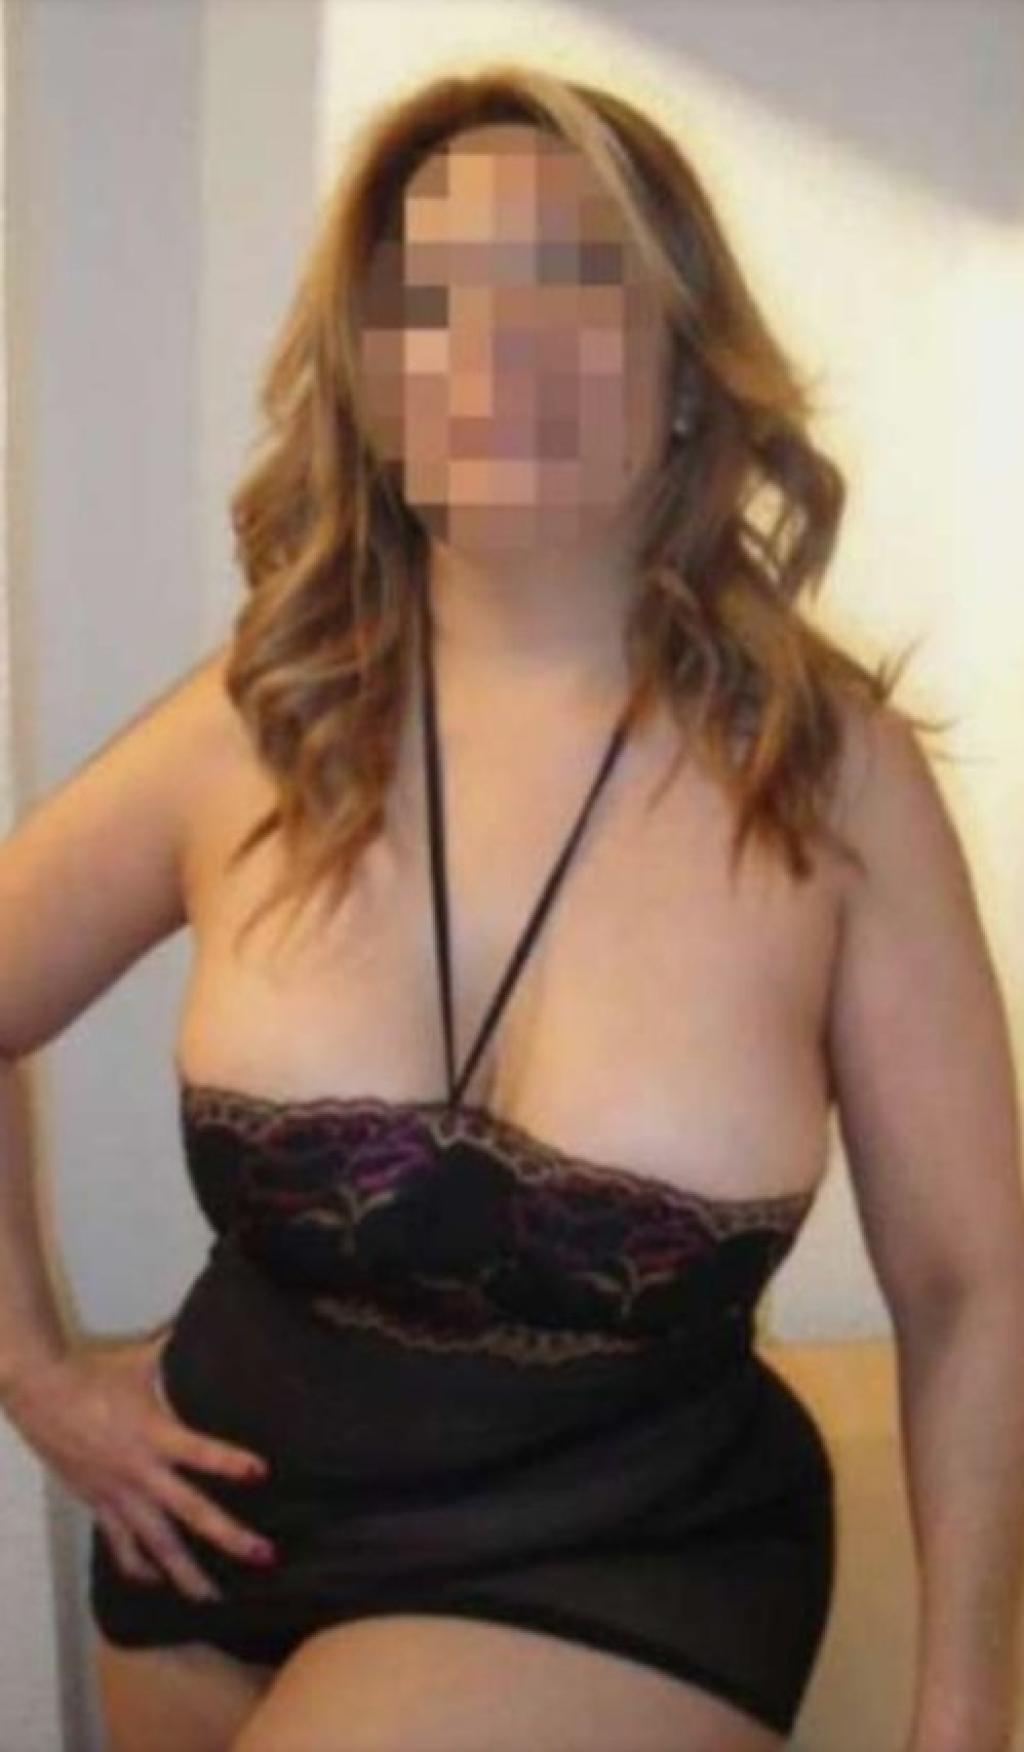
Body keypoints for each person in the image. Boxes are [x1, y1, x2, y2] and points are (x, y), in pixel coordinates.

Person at [2, 61, 1021, 1752]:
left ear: (686, 370)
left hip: (627, 1563)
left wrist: (966, 1719)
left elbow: (973, 1285)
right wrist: (36, 1373)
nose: (496, 350)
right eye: (435, 303)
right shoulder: (255, 723)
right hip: (209, 1557)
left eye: (570, 286)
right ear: (375, 386)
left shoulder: (836, 783)